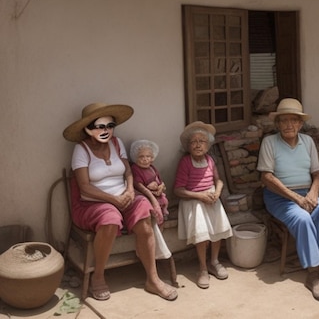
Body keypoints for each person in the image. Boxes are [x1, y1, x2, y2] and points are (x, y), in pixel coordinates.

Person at [62, 102, 178, 302]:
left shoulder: (117, 143)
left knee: (143, 211)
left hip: (124, 195)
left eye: (109, 126)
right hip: (93, 202)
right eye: (100, 126)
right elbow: (84, 187)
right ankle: (98, 277)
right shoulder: (81, 150)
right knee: (109, 219)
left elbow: (128, 171)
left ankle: (153, 279)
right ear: (89, 129)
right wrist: (113, 199)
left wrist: (130, 189)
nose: (105, 130)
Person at [256, 98, 319, 300]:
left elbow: (317, 172)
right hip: (279, 197)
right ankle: (313, 274)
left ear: (301, 124)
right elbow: (266, 177)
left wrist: (313, 193)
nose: (289, 125)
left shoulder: (307, 142)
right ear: (278, 124)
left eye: (294, 120)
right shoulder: (270, 142)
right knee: (302, 218)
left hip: (305, 193)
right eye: (284, 120)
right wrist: (296, 198)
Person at [174, 121, 233, 289]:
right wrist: (200, 196)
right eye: (194, 141)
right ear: (188, 146)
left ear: (208, 145)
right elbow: (178, 190)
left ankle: (214, 261)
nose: (198, 145)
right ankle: (203, 268)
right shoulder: (185, 162)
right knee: (201, 231)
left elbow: (218, 180)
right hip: (193, 201)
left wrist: (218, 191)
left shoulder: (210, 160)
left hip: (210, 197)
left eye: (202, 141)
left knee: (218, 226)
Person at [130, 140, 169, 225]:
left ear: (152, 158)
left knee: (164, 200)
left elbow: (160, 180)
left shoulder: (152, 168)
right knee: (152, 207)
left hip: (157, 193)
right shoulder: (135, 168)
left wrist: (161, 187)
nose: (145, 159)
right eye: (141, 157)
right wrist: (151, 193)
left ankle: (164, 212)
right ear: (136, 158)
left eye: (148, 156)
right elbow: (138, 185)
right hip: (146, 195)